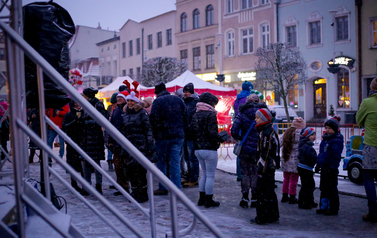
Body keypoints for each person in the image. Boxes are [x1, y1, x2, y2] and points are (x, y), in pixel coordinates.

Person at [150, 82, 187, 195]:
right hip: (178, 135)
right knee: (175, 161)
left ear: (157, 93)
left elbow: (153, 120)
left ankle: (163, 186)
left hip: (163, 137)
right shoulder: (178, 100)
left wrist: (156, 133)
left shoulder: (157, 102)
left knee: (162, 162)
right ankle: (176, 187)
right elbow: (186, 115)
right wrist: (181, 129)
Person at [231, 93, 267, 208]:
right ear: (258, 101)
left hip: (245, 148)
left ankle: (245, 197)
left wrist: (240, 138)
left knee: (246, 173)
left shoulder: (242, 114)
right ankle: (255, 198)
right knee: (255, 173)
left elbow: (234, 130)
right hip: (258, 148)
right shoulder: (263, 114)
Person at [191, 92, 224, 208]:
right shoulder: (210, 115)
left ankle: (201, 198)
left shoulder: (195, 114)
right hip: (209, 149)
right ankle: (208, 200)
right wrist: (220, 139)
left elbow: (191, 132)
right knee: (210, 175)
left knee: (204, 174)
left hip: (198, 149)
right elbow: (212, 133)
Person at [120, 91, 154, 203]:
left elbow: (148, 129)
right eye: (128, 101)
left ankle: (143, 193)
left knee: (140, 170)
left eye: (132, 101)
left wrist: (149, 145)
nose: (130, 103)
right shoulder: (124, 114)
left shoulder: (142, 113)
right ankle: (135, 191)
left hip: (141, 145)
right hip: (129, 146)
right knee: (131, 170)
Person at [251, 108, 279, 225]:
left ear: (263, 119)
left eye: (257, 118)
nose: (255, 120)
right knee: (269, 191)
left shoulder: (267, 133)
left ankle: (262, 216)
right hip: (268, 166)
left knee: (263, 192)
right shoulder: (266, 131)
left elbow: (266, 152)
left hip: (266, 167)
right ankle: (272, 215)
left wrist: (260, 168)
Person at [356, 77, 377, 223]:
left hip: (372, 145)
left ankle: (373, 212)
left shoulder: (368, 103)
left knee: (369, 178)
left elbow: (359, 120)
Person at [80, 87, 109, 195]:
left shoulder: (97, 104)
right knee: (85, 162)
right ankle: (87, 186)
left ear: (88, 96)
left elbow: (101, 119)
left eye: (84, 95)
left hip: (94, 138)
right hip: (86, 138)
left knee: (95, 163)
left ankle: (98, 186)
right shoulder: (86, 105)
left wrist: (85, 121)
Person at [316, 117, 344, 216]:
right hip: (324, 168)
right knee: (323, 188)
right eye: (326, 128)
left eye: (329, 128)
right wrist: (318, 163)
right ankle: (323, 206)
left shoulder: (336, 140)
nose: (327, 130)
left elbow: (336, 155)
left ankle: (333, 208)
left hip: (331, 169)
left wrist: (333, 167)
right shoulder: (325, 139)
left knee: (331, 188)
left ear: (335, 129)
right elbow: (321, 153)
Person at [106, 91, 131, 195]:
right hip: (117, 143)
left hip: (127, 142)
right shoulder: (115, 110)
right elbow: (111, 126)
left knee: (127, 166)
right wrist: (109, 140)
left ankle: (129, 186)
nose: (119, 99)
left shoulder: (129, 109)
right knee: (118, 166)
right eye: (118, 97)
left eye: (121, 97)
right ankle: (122, 187)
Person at [280, 117, 306, 204]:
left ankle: (284, 195)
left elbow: (279, 143)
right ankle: (292, 196)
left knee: (286, 178)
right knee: (293, 180)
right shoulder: (302, 134)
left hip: (286, 158)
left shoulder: (287, 132)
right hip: (295, 160)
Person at [62, 100, 84, 193]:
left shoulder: (84, 113)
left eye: (79, 104)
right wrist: (74, 121)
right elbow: (64, 127)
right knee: (73, 163)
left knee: (83, 163)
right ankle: (74, 183)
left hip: (82, 141)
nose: (78, 106)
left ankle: (85, 184)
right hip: (72, 141)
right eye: (76, 104)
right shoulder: (68, 115)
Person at [233, 81, 254, 182]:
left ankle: (239, 173)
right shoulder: (248, 98)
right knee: (248, 150)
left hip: (239, 126)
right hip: (247, 127)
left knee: (239, 150)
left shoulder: (237, 99)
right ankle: (247, 173)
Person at [182, 83, 200, 187]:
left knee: (192, 157)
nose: (185, 93)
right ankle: (189, 176)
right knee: (186, 157)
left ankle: (194, 178)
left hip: (191, 134)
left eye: (187, 91)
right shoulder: (184, 102)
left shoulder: (195, 103)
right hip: (185, 133)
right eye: (184, 91)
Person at [297, 127, 318, 209]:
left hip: (305, 167)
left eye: (315, 134)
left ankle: (309, 201)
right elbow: (310, 156)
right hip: (305, 168)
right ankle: (304, 202)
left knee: (308, 185)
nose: (314, 136)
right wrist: (316, 158)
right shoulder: (306, 146)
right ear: (307, 136)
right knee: (307, 186)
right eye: (312, 135)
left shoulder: (306, 144)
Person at [105, 92, 119, 172]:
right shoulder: (111, 108)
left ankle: (111, 161)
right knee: (110, 148)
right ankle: (110, 161)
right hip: (111, 131)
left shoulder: (112, 108)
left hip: (112, 130)